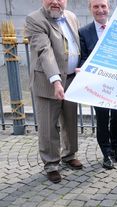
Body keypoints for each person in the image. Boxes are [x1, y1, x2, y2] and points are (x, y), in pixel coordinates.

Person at [25, 0, 83, 183]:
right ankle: (51, 164)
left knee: (70, 120)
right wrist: (56, 81)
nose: (55, 2)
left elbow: (77, 46)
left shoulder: (71, 17)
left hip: (72, 79)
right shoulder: (35, 19)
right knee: (48, 126)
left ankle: (69, 154)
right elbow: (44, 51)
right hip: (48, 81)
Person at [78, 0, 117, 170]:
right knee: (102, 119)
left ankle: (116, 149)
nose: (100, 10)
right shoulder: (83, 32)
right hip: (98, 86)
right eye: (96, 6)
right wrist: (84, 69)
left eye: (103, 6)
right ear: (90, 9)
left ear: (109, 8)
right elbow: (83, 57)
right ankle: (106, 154)